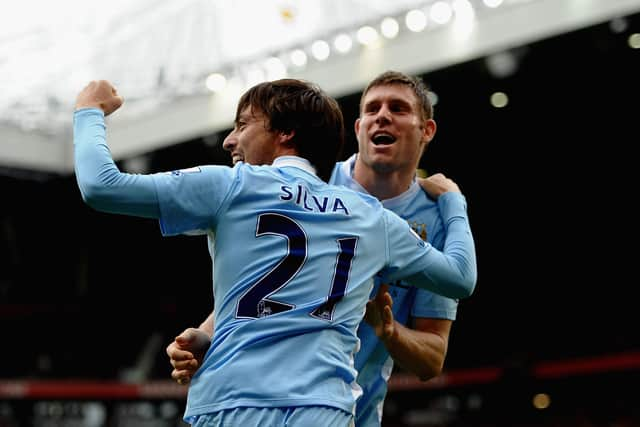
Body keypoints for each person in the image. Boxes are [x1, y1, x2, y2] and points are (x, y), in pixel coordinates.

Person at [74, 77, 476, 426]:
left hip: (233, 402)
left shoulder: (232, 185)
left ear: (285, 133)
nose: (231, 139)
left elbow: (100, 185)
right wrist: (454, 202)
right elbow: (460, 278)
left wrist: (89, 109)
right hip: (326, 409)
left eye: (243, 125)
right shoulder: (370, 216)